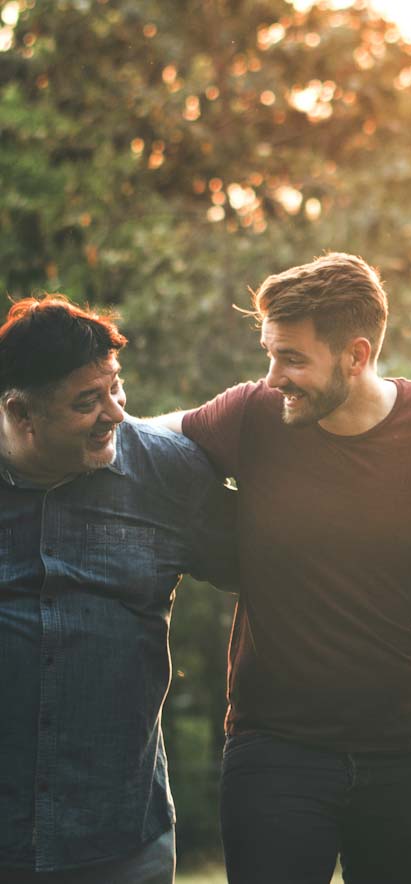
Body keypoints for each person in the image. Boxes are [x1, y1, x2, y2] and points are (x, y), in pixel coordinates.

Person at [154, 253, 411, 883]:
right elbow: (138, 445)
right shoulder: (253, 414)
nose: (273, 376)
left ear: (356, 356)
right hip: (276, 750)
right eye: (271, 353)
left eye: (293, 358)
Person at [0, 296, 235, 883]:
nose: (115, 413)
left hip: (123, 836)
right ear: (21, 413)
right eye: (86, 402)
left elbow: (278, 568)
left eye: (115, 388)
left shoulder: (168, 474)